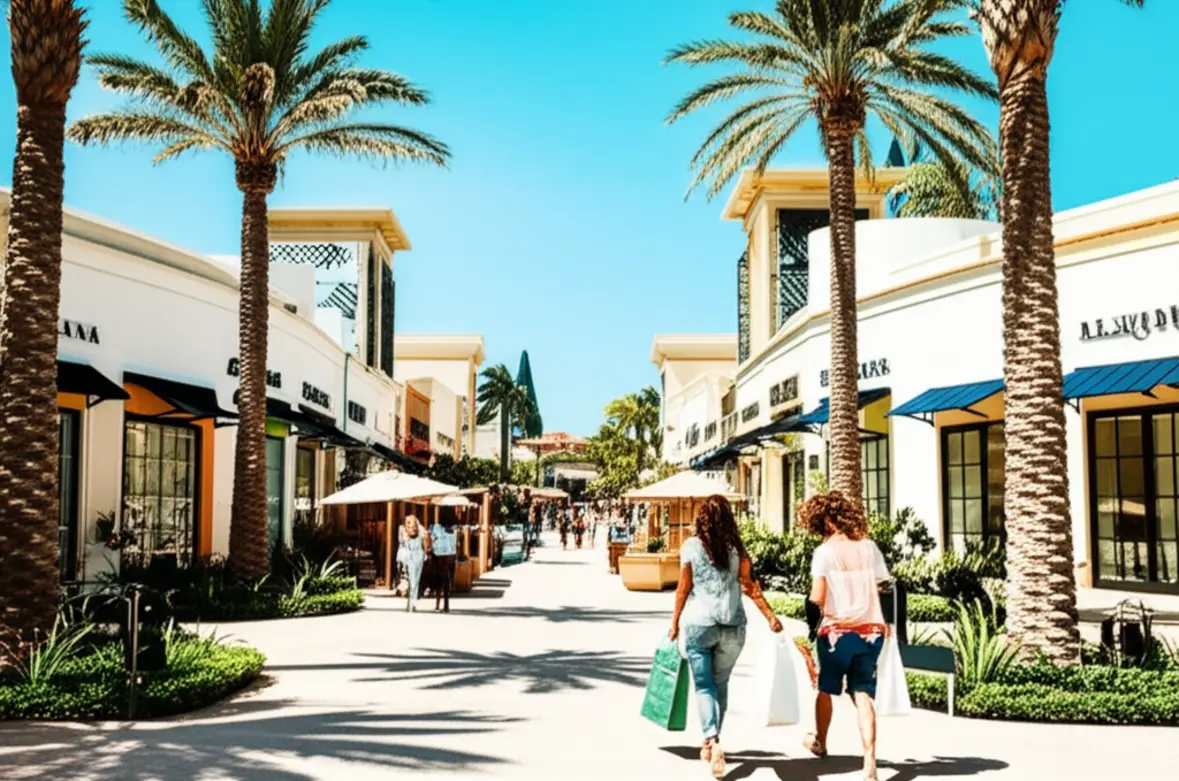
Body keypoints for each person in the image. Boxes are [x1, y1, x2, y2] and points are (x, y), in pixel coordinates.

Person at [669, 495, 783, 779]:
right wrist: (770, 616)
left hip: (699, 625)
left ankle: (712, 739)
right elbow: (750, 587)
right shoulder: (737, 551)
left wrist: (674, 624)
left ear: (702, 518)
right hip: (734, 627)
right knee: (721, 683)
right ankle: (713, 739)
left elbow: (683, 589)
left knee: (704, 686)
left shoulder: (691, 547)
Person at [798, 492, 891, 781]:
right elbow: (884, 588)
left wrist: (810, 630)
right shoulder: (869, 547)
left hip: (837, 634)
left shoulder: (824, 552)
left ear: (824, 520)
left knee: (826, 687)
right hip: (870, 633)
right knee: (862, 693)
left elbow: (817, 598)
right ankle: (870, 762)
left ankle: (821, 743)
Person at [397, 515, 427, 613]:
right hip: (416, 556)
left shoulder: (403, 530)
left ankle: (411, 602)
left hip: (409, 556)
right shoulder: (420, 530)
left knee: (412, 580)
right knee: (415, 581)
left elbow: (401, 543)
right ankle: (412, 602)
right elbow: (425, 540)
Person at [429, 515, 458, 613]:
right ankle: (445, 605)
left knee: (439, 582)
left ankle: (438, 605)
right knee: (445, 581)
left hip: (438, 558)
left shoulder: (436, 528)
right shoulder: (452, 530)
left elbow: (431, 540)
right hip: (448, 559)